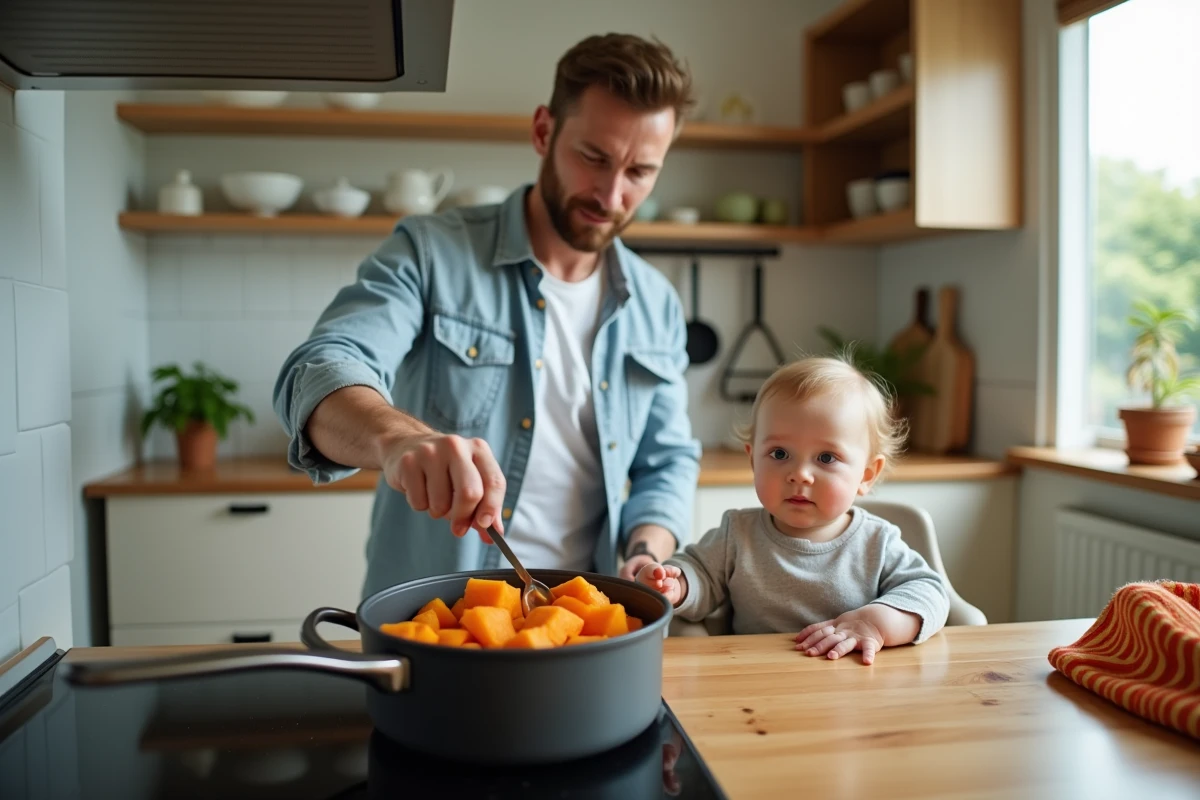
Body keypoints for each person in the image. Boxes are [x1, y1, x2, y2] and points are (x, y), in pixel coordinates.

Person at [273, 33, 701, 598]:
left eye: (640, 172)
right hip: (434, 620)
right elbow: (320, 368)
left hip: (586, 617)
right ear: (544, 131)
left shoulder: (656, 302)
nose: (611, 193)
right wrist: (396, 440)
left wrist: (647, 551)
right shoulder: (430, 253)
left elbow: (666, 461)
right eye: (593, 157)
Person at [636, 355, 949, 665]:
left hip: (853, 692)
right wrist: (675, 584)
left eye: (826, 458)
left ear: (866, 475)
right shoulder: (737, 534)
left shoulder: (877, 542)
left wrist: (879, 623)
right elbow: (700, 574)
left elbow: (930, 593)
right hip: (756, 687)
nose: (800, 474)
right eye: (780, 453)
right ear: (753, 460)